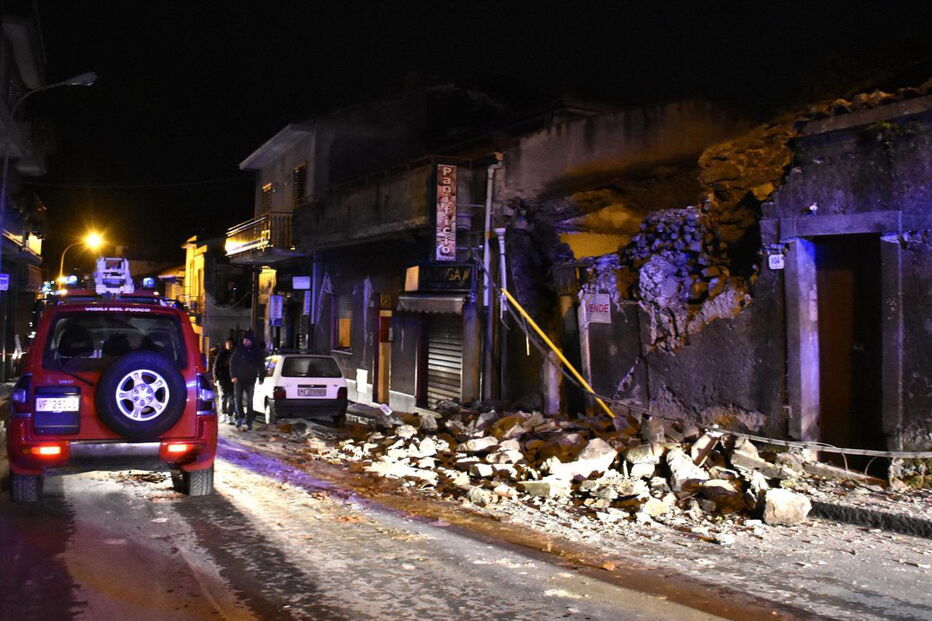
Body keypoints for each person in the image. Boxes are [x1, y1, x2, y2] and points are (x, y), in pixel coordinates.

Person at [230, 330, 264, 431]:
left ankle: (249, 422)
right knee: (238, 400)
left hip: (250, 379)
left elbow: (261, 365)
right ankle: (241, 417)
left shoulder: (256, 351)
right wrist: (233, 376)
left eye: (247, 340)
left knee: (250, 402)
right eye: (244, 340)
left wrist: (261, 377)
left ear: (251, 341)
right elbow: (233, 363)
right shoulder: (239, 349)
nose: (245, 342)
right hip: (239, 379)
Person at [212, 338, 235, 424]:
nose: (229, 345)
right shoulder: (221, 354)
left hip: (232, 379)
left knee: (232, 398)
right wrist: (216, 377)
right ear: (225, 344)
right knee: (223, 397)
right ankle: (223, 414)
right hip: (222, 379)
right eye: (228, 343)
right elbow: (216, 366)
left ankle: (230, 415)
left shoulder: (234, 354)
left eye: (231, 344)